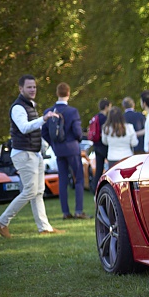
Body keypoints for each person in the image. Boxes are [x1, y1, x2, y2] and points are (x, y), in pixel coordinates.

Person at [0, 75, 65, 237]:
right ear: (21, 89)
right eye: (29, 87)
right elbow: (24, 128)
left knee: (39, 192)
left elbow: (34, 130)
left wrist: (43, 143)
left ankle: (44, 227)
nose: (33, 90)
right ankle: (2, 221)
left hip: (34, 153)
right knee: (30, 191)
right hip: (23, 154)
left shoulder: (30, 106)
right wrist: (44, 118)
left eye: (34, 87)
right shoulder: (18, 107)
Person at [41, 82, 88, 220]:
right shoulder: (72, 111)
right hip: (72, 149)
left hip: (58, 150)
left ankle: (65, 212)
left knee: (62, 180)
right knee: (79, 179)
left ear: (57, 93)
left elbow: (44, 132)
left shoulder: (49, 111)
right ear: (68, 93)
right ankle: (78, 210)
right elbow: (78, 132)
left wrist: (54, 144)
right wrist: (78, 139)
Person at [91, 98, 111, 189]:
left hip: (96, 145)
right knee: (111, 166)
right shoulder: (104, 118)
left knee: (99, 169)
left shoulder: (96, 117)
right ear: (106, 107)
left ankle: (95, 188)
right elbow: (104, 132)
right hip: (103, 145)